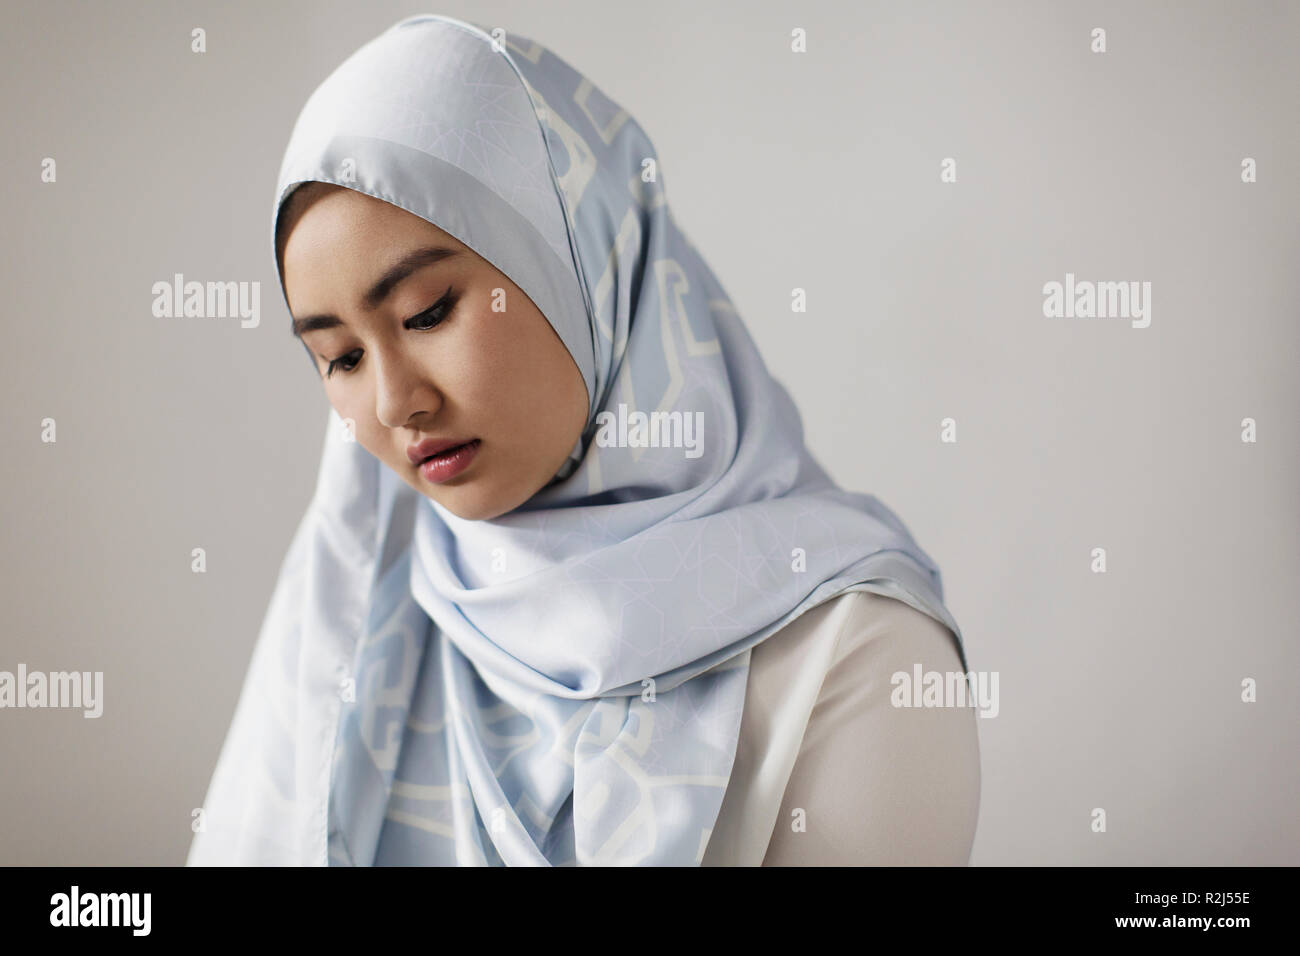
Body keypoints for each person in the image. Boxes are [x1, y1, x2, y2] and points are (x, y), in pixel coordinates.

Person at [187, 13, 979, 867]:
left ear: (585, 263)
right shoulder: (355, 620)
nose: (394, 403)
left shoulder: (858, 657)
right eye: (338, 357)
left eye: (427, 313)